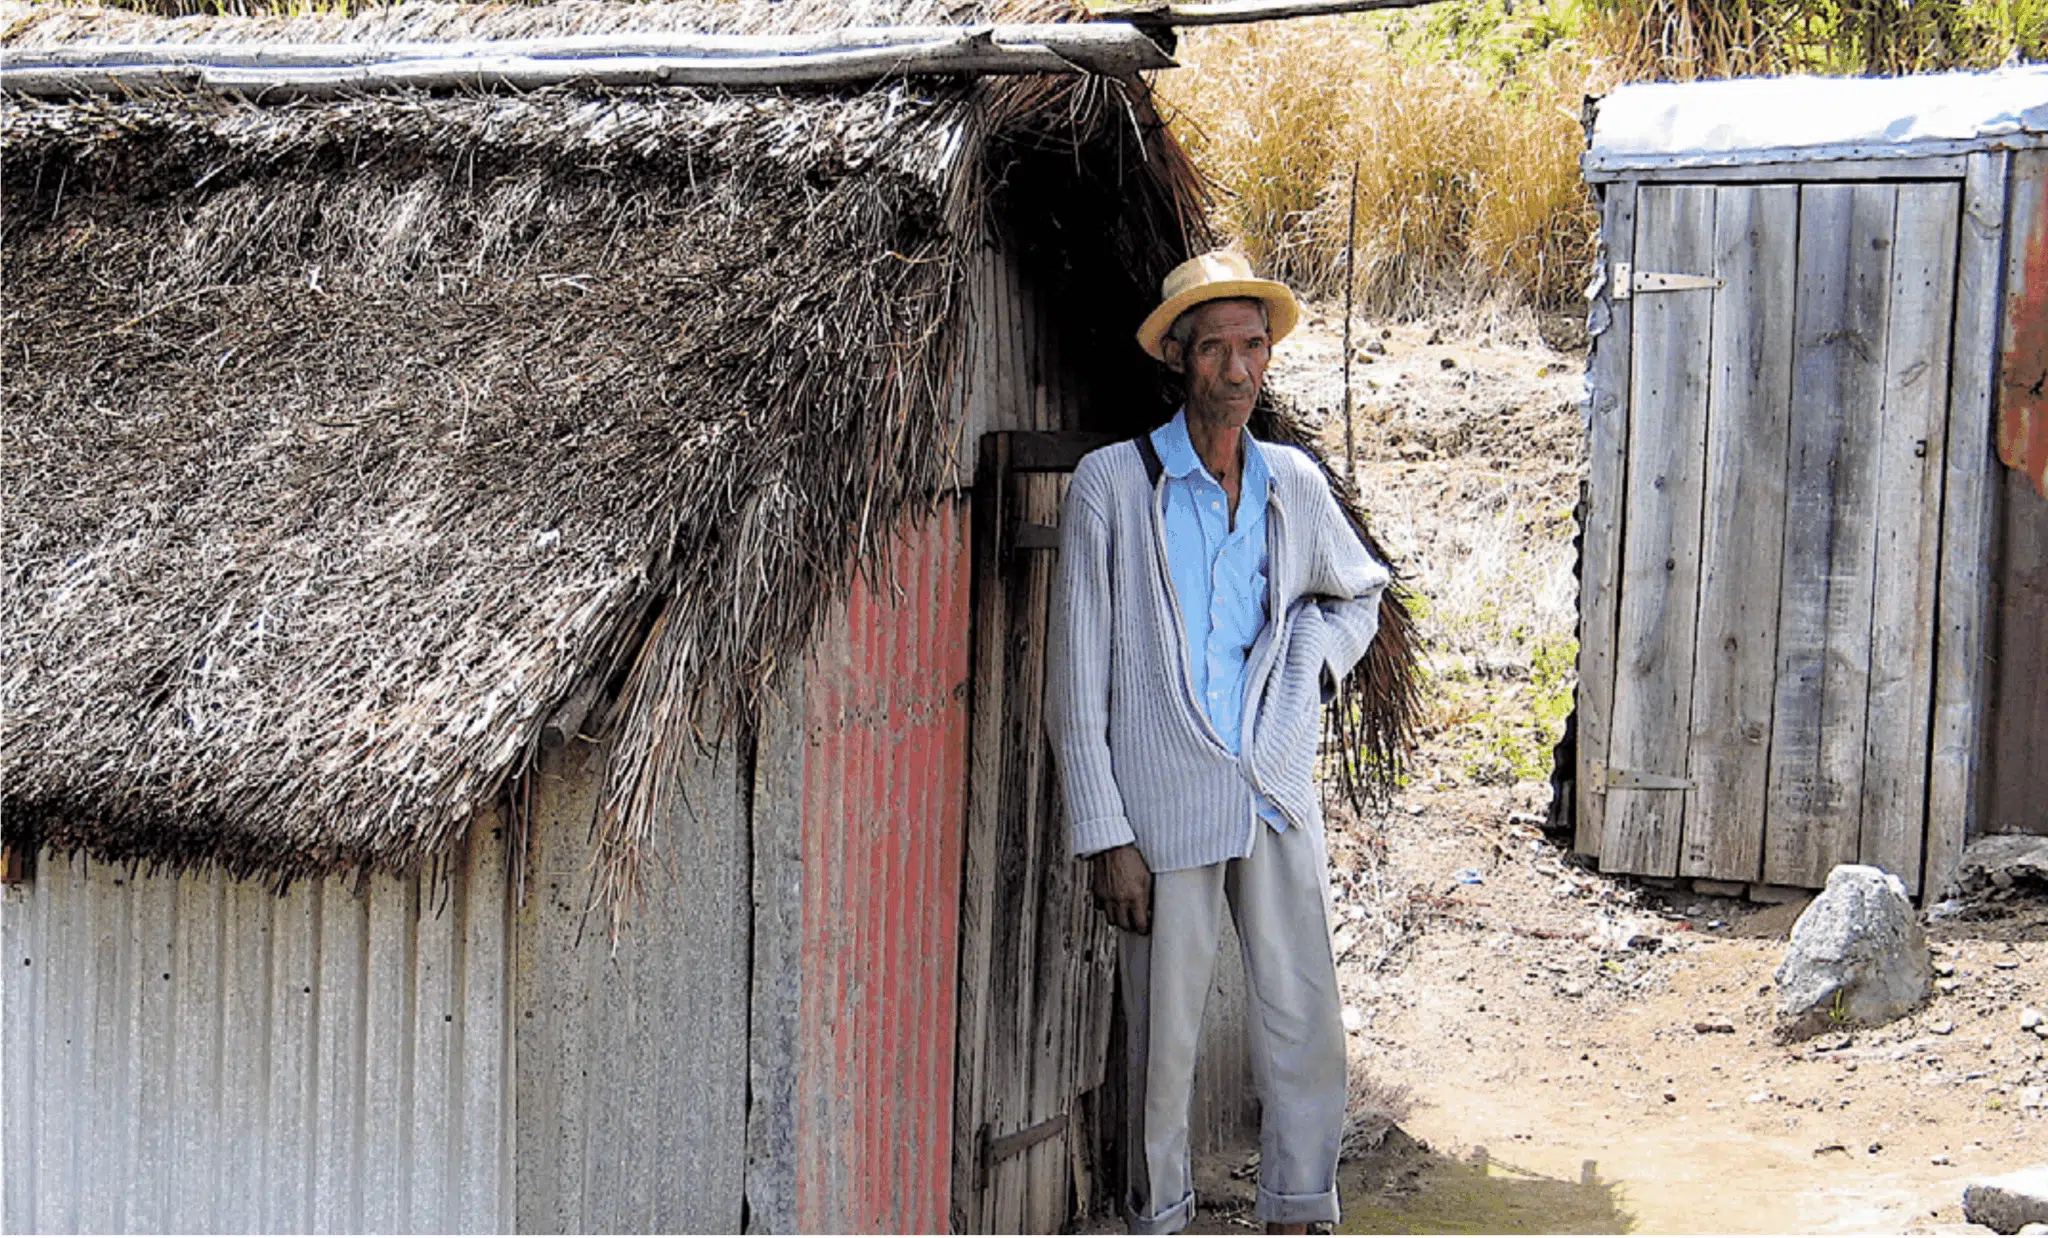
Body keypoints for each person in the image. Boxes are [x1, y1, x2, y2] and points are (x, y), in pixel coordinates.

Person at [1046, 250, 1390, 1235]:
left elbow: (1357, 593)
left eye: (1252, 348)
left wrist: (1309, 666)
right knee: (1164, 1042)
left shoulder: (1290, 482)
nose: (1237, 371)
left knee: (1302, 1017)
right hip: (1161, 809)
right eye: (1215, 351)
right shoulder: (1111, 486)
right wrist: (1105, 831)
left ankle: (1296, 1208)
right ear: (1179, 361)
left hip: (1272, 786)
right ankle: (1158, 1215)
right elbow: (1074, 680)